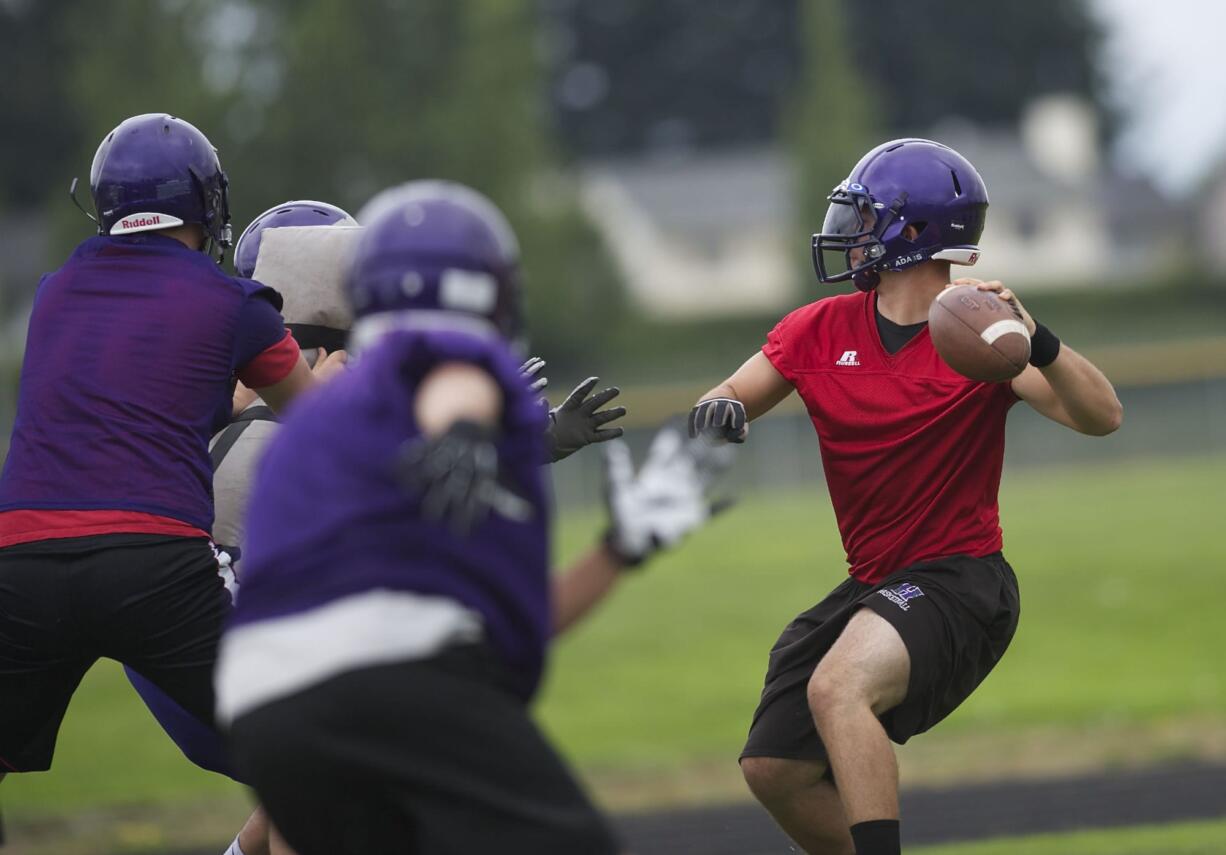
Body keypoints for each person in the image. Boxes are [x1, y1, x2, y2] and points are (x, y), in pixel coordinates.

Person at [215, 180, 731, 855]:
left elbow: (485, 633)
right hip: (388, 690)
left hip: (262, 711)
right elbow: (453, 382)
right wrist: (463, 432)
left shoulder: (310, 420)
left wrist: (614, 552)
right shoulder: (461, 371)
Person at [689, 138, 1123, 855]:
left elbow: (1102, 416)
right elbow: (731, 391)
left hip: (960, 580)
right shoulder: (818, 328)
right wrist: (719, 410)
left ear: (911, 231)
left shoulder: (985, 339)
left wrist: (1037, 339)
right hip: (874, 581)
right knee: (776, 768)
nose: (846, 233)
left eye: (862, 217)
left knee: (838, 689)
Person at [0, 115, 343, 855]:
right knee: (307, 764)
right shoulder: (235, 305)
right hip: (151, 565)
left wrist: (230, 401)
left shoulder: (55, 295)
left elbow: (131, 403)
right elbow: (324, 425)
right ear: (207, 205)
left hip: (21, 562)